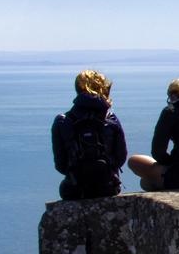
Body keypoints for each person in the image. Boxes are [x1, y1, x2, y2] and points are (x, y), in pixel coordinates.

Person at [51, 70, 128, 201]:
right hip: (107, 187)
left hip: (75, 189)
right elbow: (121, 157)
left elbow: (60, 164)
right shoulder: (111, 119)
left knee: (65, 187)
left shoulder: (62, 121)